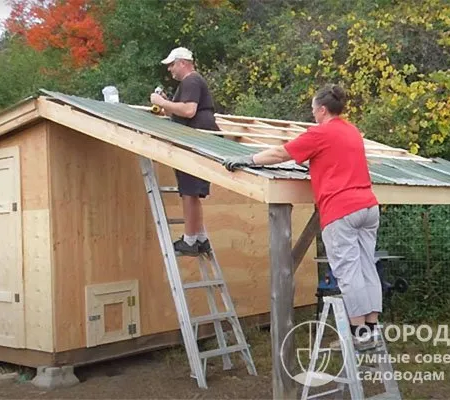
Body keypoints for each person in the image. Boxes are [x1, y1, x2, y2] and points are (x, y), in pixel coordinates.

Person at [223, 84, 382, 350]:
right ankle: (372, 329)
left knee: (348, 271)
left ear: (322, 109)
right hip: (368, 205)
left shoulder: (320, 133)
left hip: (340, 209)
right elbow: (335, 161)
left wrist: (248, 158)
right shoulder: (352, 131)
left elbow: (280, 153)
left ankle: (360, 334)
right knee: (367, 267)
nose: (312, 114)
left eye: (313, 109)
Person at [150, 47, 220, 257]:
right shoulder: (192, 83)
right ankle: (199, 237)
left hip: (194, 140)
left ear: (182, 62)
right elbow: (184, 109)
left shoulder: (190, 80)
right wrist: (168, 105)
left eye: (172, 64)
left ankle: (189, 240)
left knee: (189, 192)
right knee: (192, 191)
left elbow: (189, 110)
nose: (170, 69)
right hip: (198, 138)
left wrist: (161, 102)